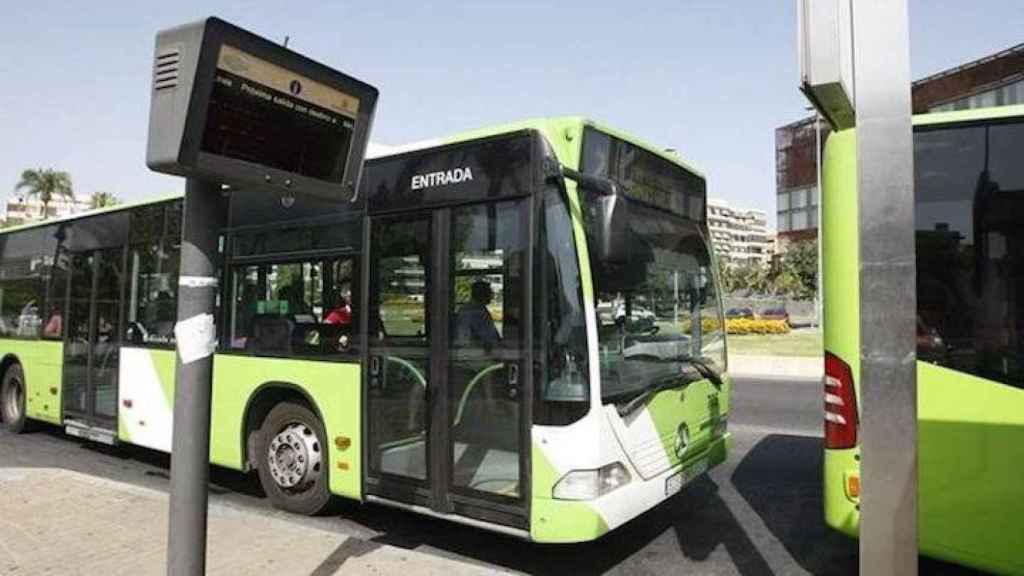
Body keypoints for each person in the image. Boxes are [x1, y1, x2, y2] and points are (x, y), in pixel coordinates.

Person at [454, 280, 500, 348]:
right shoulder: (471, 311)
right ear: (482, 294)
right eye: (490, 293)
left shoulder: (481, 309)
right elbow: (465, 340)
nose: (492, 296)